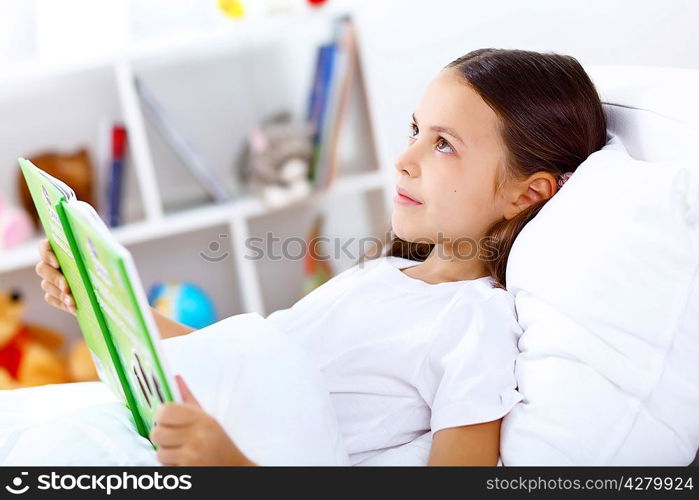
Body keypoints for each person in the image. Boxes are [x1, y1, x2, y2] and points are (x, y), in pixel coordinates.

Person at [34, 48, 607, 466]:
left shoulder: (472, 324)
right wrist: (102, 304)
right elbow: (236, 358)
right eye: (415, 130)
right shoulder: (383, 274)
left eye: (444, 144)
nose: (404, 158)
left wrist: (232, 469)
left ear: (526, 192)